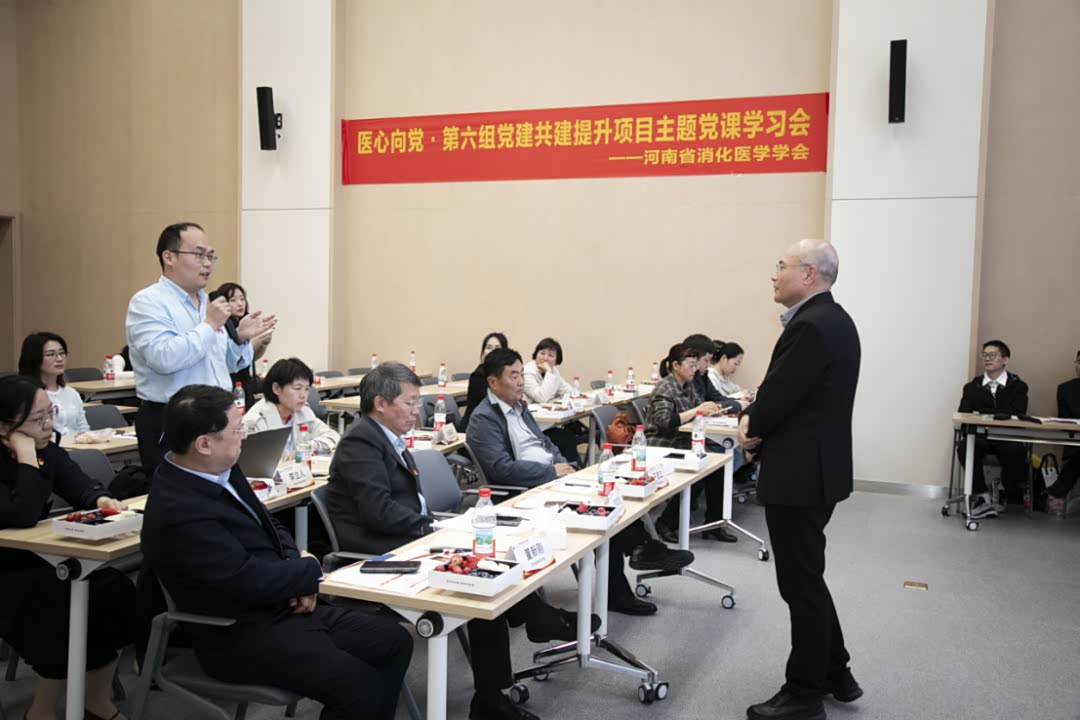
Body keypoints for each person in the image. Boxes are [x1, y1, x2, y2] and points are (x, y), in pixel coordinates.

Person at [327, 362, 598, 720]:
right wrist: (434, 527)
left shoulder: (386, 437)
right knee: (478, 576)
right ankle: (506, 670)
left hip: (405, 538)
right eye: (409, 403)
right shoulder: (361, 441)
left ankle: (501, 678)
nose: (416, 411)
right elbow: (379, 512)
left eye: (417, 402)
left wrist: (442, 525)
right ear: (380, 403)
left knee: (485, 567)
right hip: (376, 555)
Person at [140, 384, 411, 720]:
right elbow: (244, 579)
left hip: (280, 608)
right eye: (237, 430)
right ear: (204, 444)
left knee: (394, 641)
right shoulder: (178, 509)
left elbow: (271, 525)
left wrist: (298, 570)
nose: (244, 436)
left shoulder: (220, 469)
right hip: (239, 633)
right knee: (359, 686)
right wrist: (307, 573)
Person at [468, 348, 694, 616]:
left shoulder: (519, 406)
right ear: (493, 382)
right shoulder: (483, 418)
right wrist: (551, 472)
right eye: (513, 376)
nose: (521, 382)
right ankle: (637, 556)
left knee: (608, 495)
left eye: (521, 374)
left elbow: (544, 442)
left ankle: (639, 554)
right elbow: (500, 469)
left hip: (549, 480)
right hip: (524, 493)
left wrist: (564, 466)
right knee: (598, 511)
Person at [737, 239, 862, 720]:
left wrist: (751, 426)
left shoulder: (810, 326)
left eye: (781, 266)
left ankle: (804, 693)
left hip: (800, 474)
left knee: (800, 585)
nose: (774, 274)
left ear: (809, 274)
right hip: (818, 470)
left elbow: (778, 396)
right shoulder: (835, 320)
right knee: (809, 575)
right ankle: (837, 671)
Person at [0, 376, 135, 720]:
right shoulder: (30, 453)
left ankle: (97, 701)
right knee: (57, 607)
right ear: (4, 427)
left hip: (38, 557)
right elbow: (22, 514)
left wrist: (101, 499)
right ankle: (41, 711)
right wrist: (26, 457)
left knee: (113, 590)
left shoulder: (47, 449)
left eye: (51, 414)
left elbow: (79, 485)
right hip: (6, 568)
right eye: (37, 419)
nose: (49, 425)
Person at [126, 222, 276, 474]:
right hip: (175, 421)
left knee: (228, 491)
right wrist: (209, 325)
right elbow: (162, 358)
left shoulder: (208, 303)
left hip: (218, 418)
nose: (207, 264)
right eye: (199, 255)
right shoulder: (148, 302)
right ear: (169, 257)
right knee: (184, 495)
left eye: (211, 257)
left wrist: (240, 339)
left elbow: (225, 364)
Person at [645, 343, 736, 543]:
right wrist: (697, 411)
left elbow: (696, 410)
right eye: (691, 365)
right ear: (676, 365)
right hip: (662, 443)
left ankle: (714, 524)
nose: (695, 370)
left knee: (718, 467)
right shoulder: (665, 387)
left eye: (696, 365)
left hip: (684, 441)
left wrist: (709, 410)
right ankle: (666, 523)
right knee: (698, 473)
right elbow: (664, 421)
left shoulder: (689, 385)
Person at [956, 339, 1030, 518]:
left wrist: (981, 412)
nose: (987, 359)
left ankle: (1008, 494)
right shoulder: (972, 387)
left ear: (1005, 359)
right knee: (966, 447)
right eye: (985, 355)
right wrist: (1000, 413)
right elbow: (964, 414)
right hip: (980, 436)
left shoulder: (1018, 386)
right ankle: (982, 497)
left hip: (1007, 436)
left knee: (1015, 451)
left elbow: (1018, 412)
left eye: (993, 355)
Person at [242, 357, 339, 458]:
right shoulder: (256, 420)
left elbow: (333, 436)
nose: (303, 395)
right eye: (297, 388)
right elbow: (254, 460)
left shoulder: (302, 411)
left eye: (307, 389)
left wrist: (312, 445)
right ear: (276, 388)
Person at [212, 282, 273, 409]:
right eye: (233, 300)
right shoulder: (221, 327)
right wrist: (253, 342)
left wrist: (263, 344)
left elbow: (249, 359)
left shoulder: (246, 323)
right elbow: (231, 361)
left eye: (242, 298)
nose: (240, 303)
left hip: (245, 383)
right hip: (228, 383)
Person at [521, 337, 582, 464]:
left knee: (569, 436)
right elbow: (542, 397)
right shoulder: (527, 373)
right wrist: (549, 372)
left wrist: (557, 396)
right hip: (533, 427)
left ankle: (573, 467)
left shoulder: (554, 372)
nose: (545, 358)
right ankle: (573, 468)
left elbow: (571, 392)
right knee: (567, 439)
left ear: (557, 360)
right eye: (542, 353)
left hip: (548, 424)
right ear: (535, 355)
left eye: (550, 355)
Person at [18, 331, 90, 438]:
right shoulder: (26, 395)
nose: (59, 359)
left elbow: (84, 429)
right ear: (34, 359)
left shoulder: (71, 393)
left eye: (62, 353)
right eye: (50, 354)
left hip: (77, 446)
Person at [683, 333, 745, 413]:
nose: (708, 365)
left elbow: (716, 397)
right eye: (706, 360)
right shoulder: (684, 378)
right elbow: (701, 406)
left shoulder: (702, 375)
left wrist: (738, 401)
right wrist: (738, 404)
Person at [463, 331, 508, 427]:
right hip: (476, 425)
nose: (492, 351)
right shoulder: (478, 376)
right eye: (488, 347)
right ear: (483, 352)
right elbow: (493, 404)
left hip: (494, 422)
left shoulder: (504, 373)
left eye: (497, 348)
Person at [1052, 351, 1080, 498]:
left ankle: (1062, 484)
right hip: (1075, 443)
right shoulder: (1066, 389)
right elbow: (1065, 422)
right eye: (1079, 362)